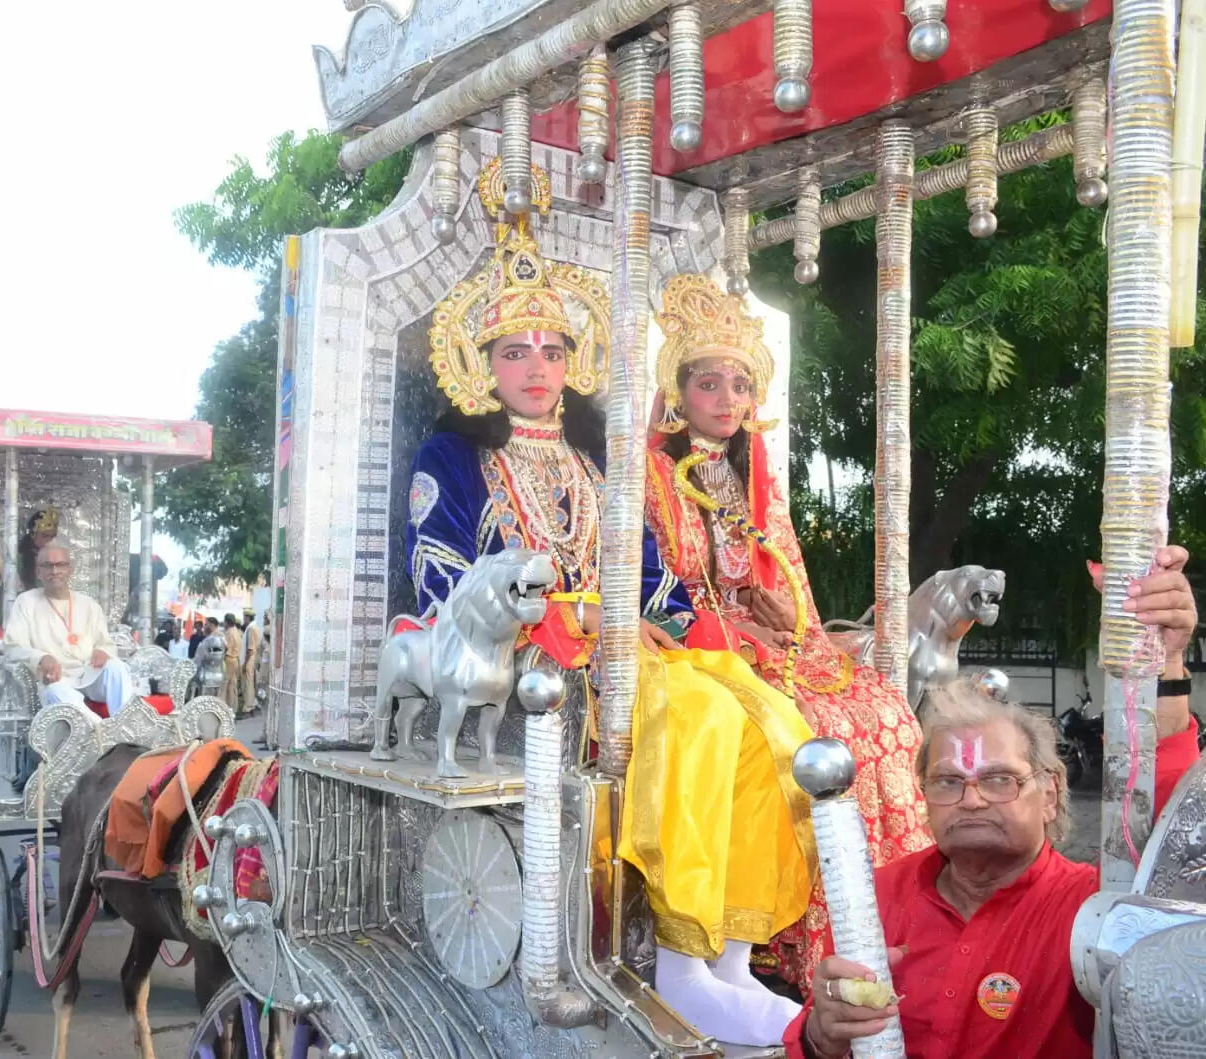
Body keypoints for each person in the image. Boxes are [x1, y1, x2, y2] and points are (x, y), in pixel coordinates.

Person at [407, 220, 813, 1044]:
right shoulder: (450, 456)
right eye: (514, 351)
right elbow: (441, 578)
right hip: (524, 660)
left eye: (550, 350)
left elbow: (656, 574)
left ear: (572, 363)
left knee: (773, 720)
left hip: (627, 646)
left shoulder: (600, 460)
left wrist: (701, 629)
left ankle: (732, 954)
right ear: (481, 364)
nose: (535, 368)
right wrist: (577, 611)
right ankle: (679, 956)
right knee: (701, 719)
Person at [786, 545, 1200, 1059]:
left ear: (1050, 794)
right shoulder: (874, 898)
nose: (972, 800)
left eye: (999, 780)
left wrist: (1167, 662)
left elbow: (1169, 826)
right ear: (924, 799)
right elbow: (812, 1040)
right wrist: (821, 1037)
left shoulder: (1093, 909)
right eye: (948, 782)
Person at [644, 273, 930, 988]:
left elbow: (784, 565)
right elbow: (659, 581)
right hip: (701, 640)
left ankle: (897, 920)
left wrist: (795, 621)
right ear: (678, 390)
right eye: (710, 384)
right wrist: (729, 618)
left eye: (741, 386)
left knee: (880, 706)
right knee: (820, 724)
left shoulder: (752, 468)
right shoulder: (651, 471)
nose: (729, 400)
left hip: (761, 633)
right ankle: (802, 938)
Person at [4, 537, 133, 714]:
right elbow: (12, 648)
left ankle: (126, 721)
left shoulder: (89, 605)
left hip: (89, 673)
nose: (54, 571)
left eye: (60, 565)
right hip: (56, 679)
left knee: (116, 667)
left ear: (70, 569)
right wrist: (41, 658)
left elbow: (105, 643)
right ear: (39, 571)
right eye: (48, 566)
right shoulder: (26, 602)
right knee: (56, 692)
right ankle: (100, 732)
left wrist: (102, 652)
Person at [17, 507, 61, 591]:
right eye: (45, 536)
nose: (49, 540)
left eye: (52, 537)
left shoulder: (56, 562)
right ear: (33, 535)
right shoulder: (17, 561)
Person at [221, 614, 243, 715]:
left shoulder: (229, 633)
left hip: (229, 659)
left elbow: (226, 647)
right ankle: (233, 708)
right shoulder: (237, 631)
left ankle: (222, 708)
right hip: (235, 660)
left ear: (226, 622)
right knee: (232, 686)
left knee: (225, 684)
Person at [241, 611, 262, 714]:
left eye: (244, 617)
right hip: (252, 658)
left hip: (250, 659)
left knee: (248, 684)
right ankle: (252, 704)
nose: (243, 619)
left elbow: (250, 649)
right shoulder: (255, 627)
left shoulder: (251, 629)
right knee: (251, 684)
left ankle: (249, 707)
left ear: (248, 618)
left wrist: (245, 664)